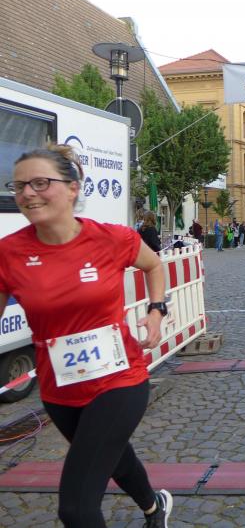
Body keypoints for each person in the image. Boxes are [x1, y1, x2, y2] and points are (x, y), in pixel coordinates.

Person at [0, 145, 172, 527]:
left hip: (119, 380)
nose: (27, 193)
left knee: (77, 509)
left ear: (73, 188)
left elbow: (154, 265)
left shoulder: (112, 238)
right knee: (115, 458)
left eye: (40, 183)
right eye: (19, 185)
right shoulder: (8, 253)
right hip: (59, 389)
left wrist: (156, 310)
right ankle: (154, 506)